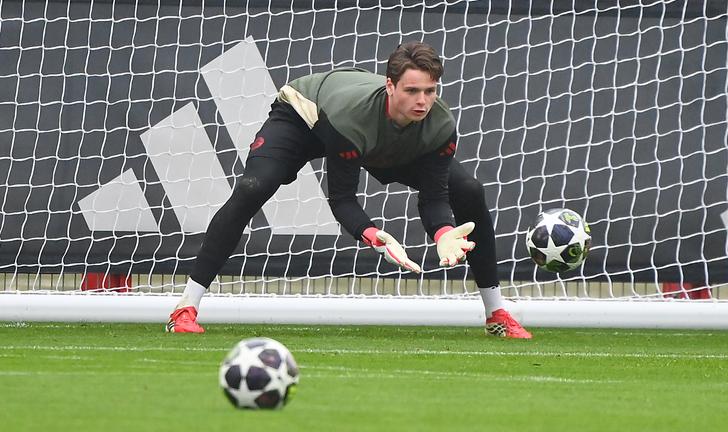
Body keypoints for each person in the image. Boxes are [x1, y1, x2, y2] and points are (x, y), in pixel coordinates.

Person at [166, 41, 532, 339]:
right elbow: (341, 199)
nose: (423, 101)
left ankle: (496, 312)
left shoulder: (439, 124)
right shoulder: (350, 120)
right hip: (305, 117)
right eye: (412, 90)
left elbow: (434, 197)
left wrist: (442, 233)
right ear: (390, 87)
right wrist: (374, 235)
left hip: (378, 139)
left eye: (430, 91)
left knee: (469, 189)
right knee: (252, 188)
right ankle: (186, 307)